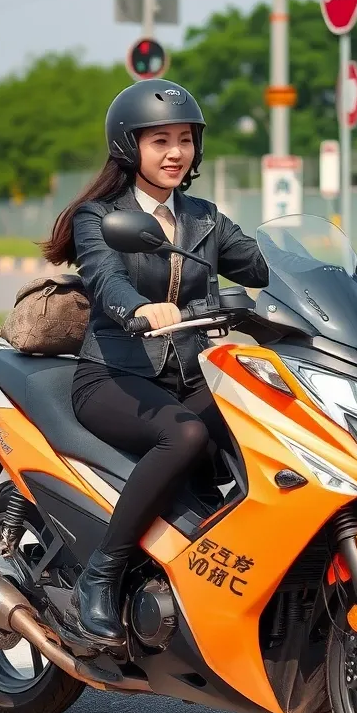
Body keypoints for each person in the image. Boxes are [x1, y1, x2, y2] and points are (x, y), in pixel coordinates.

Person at [41, 79, 269, 648]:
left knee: (268, 419)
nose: (175, 152)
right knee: (186, 434)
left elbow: (267, 267)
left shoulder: (205, 220)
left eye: (185, 139)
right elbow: (104, 277)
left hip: (189, 375)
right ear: (129, 147)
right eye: (160, 140)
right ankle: (103, 572)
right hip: (115, 377)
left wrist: (346, 286)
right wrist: (138, 308)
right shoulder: (102, 217)